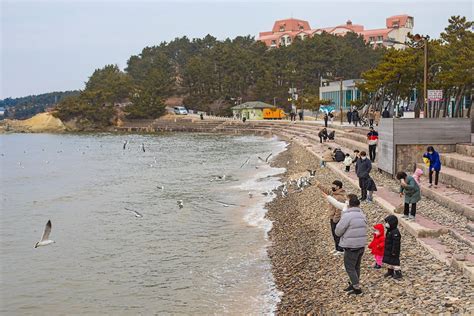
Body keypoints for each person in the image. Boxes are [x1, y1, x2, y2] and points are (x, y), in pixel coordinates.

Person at [335, 194, 368, 295]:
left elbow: (338, 231)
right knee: (356, 266)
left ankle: (357, 288)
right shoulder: (362, 215)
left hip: (351, 246)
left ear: (349, 204)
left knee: (349, 267)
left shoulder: (347, 216)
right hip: (361, 245)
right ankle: (354, 284)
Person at [317, 180, 346, 255]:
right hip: (332, 217)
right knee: (334, 234)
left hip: (336, 219)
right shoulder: (334, 193)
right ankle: (337, 248)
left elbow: (339, 209)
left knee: (337, 234)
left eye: (334, 186)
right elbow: (327, 191)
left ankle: (340, 250)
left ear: (338, 187)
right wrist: (319, 185)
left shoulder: (340, 197)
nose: (332, 187)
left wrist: (335, 219)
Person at [383, 215, 402, 279]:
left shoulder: (395, 232)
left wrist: (394, 251)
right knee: (390, 261)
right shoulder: (389, 230)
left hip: (393, 250)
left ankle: (398, 272)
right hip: (389, 249)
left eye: (388, 223)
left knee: (395, 262)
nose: (386, 224)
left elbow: (396, 243)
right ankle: (390, 271)